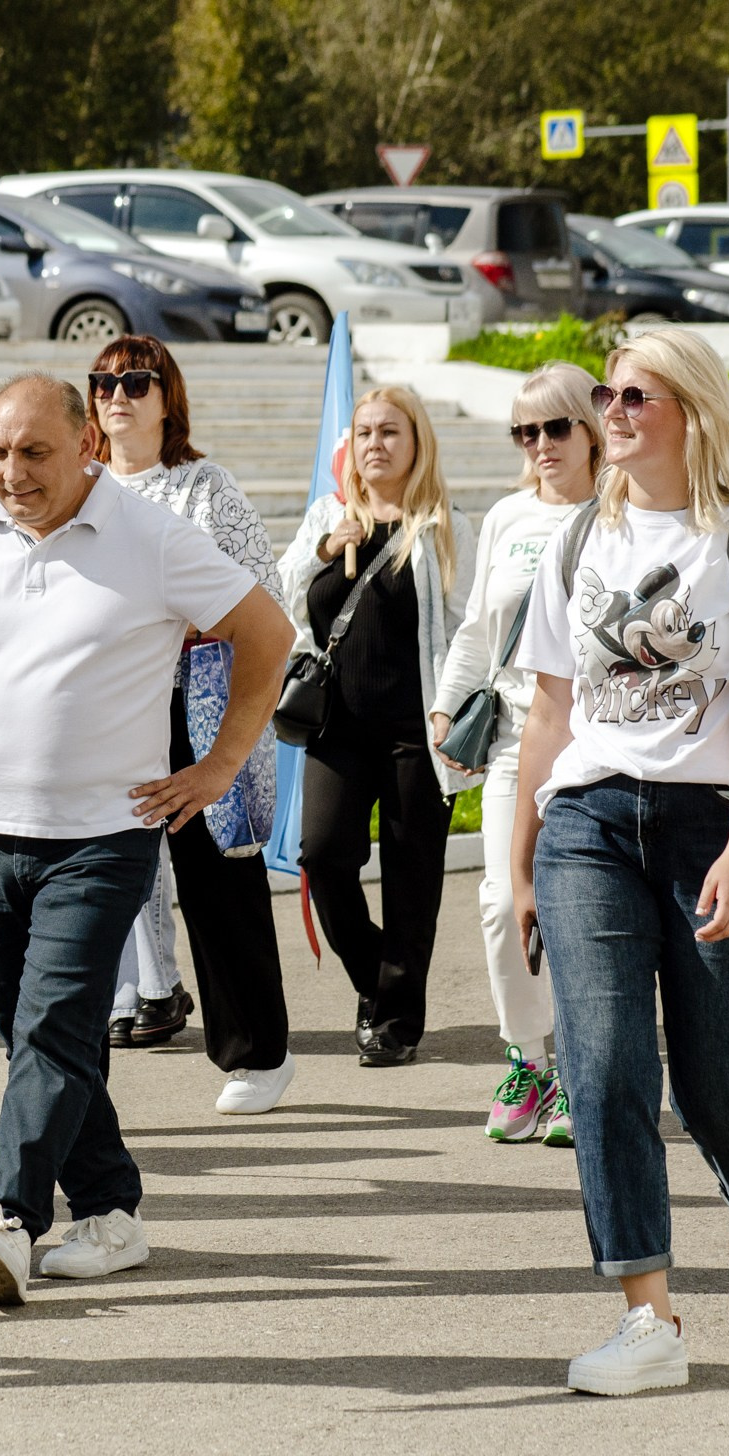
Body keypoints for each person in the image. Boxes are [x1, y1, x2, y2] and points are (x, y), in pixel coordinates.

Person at [0, 374, 294, 1305]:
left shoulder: (152, 536)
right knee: (38, 1039)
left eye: (35, 453)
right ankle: (109, 1211)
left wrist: (220, 764)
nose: (12, 473)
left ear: (87, 446)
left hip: (102, 839)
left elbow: (266, 630)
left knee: (52, 1030)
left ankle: (4, 1219)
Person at [510, 328, 729, 1395]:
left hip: (712, 821)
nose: (614, 412)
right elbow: (548, 711)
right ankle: (649, 1317)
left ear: (691, 409)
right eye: (608, 394)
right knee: (602, 1068)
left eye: (637, 395)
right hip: (589, 823)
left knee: (717, 1077)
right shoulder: (574, 540)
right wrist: (520, 865)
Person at [89, 335, 295, 1114]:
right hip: (106, 706)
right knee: (90, 875)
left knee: (216, 882)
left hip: (194, 705)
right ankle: (77, 1051)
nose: (117, 396)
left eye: (135, 382)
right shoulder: (80, 488)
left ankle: (258, 1054)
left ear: (167, 397)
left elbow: (264, 600)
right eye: (103, 382)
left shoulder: (205, 488)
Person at [280, 385, 476, 1066]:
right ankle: (376, 977)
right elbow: (282, 599)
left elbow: (467, 627)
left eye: (390, 432)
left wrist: (458, 712)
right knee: (323, 856)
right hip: (337, 727)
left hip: (417, 732)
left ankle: (396, 1023)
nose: (375, 444)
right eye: (364, 432)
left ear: (417, 442)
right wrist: (325, 550)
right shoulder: (328, 517)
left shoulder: (444, 525)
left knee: (412, 880)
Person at [431, 362, 601, 1143]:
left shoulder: (620, 512)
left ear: (591, 428)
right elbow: (475, 626)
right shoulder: (506, 516)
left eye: (556, 427)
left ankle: (585, 1071)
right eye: (524, 432)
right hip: (514, 736)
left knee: (586, 912)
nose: (540, 445)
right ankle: (528, 1062)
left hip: (600, 742)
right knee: (503, 903)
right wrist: (446, 705)